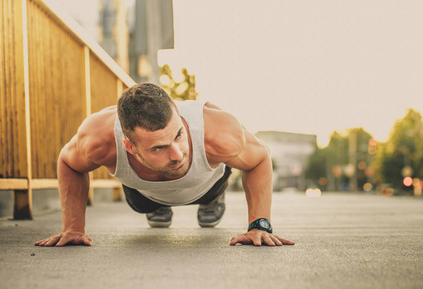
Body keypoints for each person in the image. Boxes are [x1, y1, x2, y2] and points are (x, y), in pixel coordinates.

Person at [34, 83, 294, 247]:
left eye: (178, 135)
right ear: (129, 147)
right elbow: (69, 163)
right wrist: (73, 227)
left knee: (213, 179)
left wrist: (259, 224)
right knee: (145, 203)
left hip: (207, 186)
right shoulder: (99, 139)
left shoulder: (218, 131)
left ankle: (213, 200)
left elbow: (259, 157)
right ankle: (158, 206)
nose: (178, 154)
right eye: (158, 147)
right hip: (143, 194)